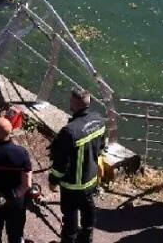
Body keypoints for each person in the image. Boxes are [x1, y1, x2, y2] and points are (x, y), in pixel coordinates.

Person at [48, 89, 106, 243]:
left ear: (75, 104)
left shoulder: (70, 131)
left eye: (71, 101)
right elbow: (101, 147)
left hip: (73, 184)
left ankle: (69, 238)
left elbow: (61, 162)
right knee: (88, 207)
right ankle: (87, 237)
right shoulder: (99, 120)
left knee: (70, 212)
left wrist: (53, 180)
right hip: (91, 178)